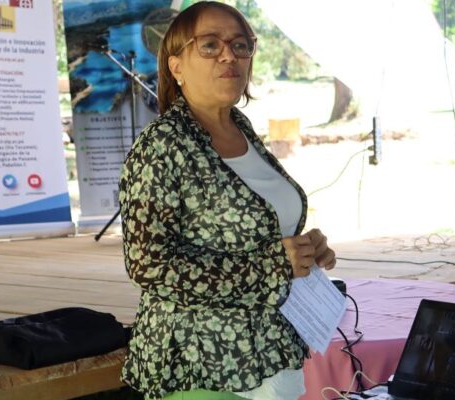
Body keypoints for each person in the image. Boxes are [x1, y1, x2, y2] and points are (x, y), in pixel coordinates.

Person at [118, 2, 336, 399]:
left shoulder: (240, 127)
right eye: (209, 45)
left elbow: (251, 229)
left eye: (240, 45)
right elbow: (149, 265)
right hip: (205, 363)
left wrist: (303, 247)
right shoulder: (163, 145)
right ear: (176, 66)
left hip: (269, 349)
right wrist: (272, 265)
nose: (228, 55)